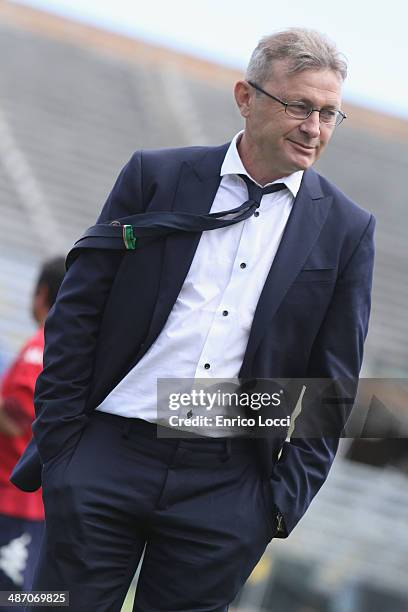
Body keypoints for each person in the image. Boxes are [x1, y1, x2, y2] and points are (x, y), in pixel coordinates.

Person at [11, 28, 375, 611]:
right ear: (246, 96)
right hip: (107, 451)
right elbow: (78, 310)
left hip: (228, 486)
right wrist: (64, 449)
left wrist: (278, 503)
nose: (314, 128)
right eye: (300, 106)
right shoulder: (155, 176)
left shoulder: (347, 229)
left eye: (329, 113)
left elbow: (332, 384)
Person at [0, 257, 65, 602]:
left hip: (15, 501)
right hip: (39, 505)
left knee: (11, 599)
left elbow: (22, 424)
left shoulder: (41, 347)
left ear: (41, 294)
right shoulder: (66, 345)